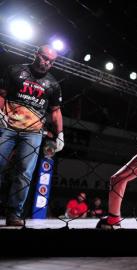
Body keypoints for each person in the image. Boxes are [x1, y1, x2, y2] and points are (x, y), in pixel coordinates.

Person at [0, 45, 64, 226]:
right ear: (36, 54)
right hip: (7, 126)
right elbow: (2, 95)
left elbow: (55, 111)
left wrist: (60, 135)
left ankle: (14, 214)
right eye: (44, 58)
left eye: (51, 61)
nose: (47, 63)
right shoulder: (15, 70)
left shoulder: (53, 84)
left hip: (34, 133)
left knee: (24, 173)